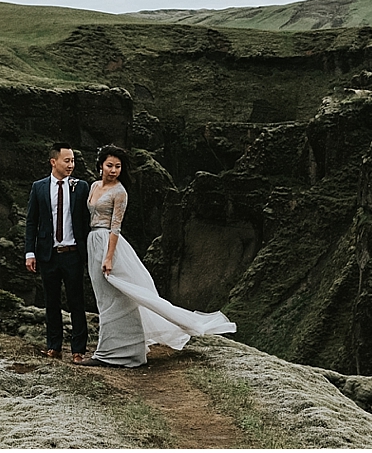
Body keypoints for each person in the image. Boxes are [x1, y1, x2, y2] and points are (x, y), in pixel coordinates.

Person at [80, 144, 236, 368]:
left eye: (117, 166)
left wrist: (108, 257)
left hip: (108, 243)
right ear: (100, 165)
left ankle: (114, 353)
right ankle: (118, 350)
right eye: (109, 165)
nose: (113, 170)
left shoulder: (120, 192)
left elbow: (116, 227)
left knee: (119, 296)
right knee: (104, 297)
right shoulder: (94, 186)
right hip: (92, 241)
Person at [24, 142, 91, 364]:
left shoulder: (81, 187)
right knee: (51, 302)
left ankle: (78, 350)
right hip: (48, 254)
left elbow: (87, 219)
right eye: (67, 160)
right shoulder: (39, 187)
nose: (71, 165)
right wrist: (29, 252)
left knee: (76, 302)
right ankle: (54, 346)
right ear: (54, 162)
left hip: (73, 253)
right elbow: (32, 222)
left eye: (72, 161)